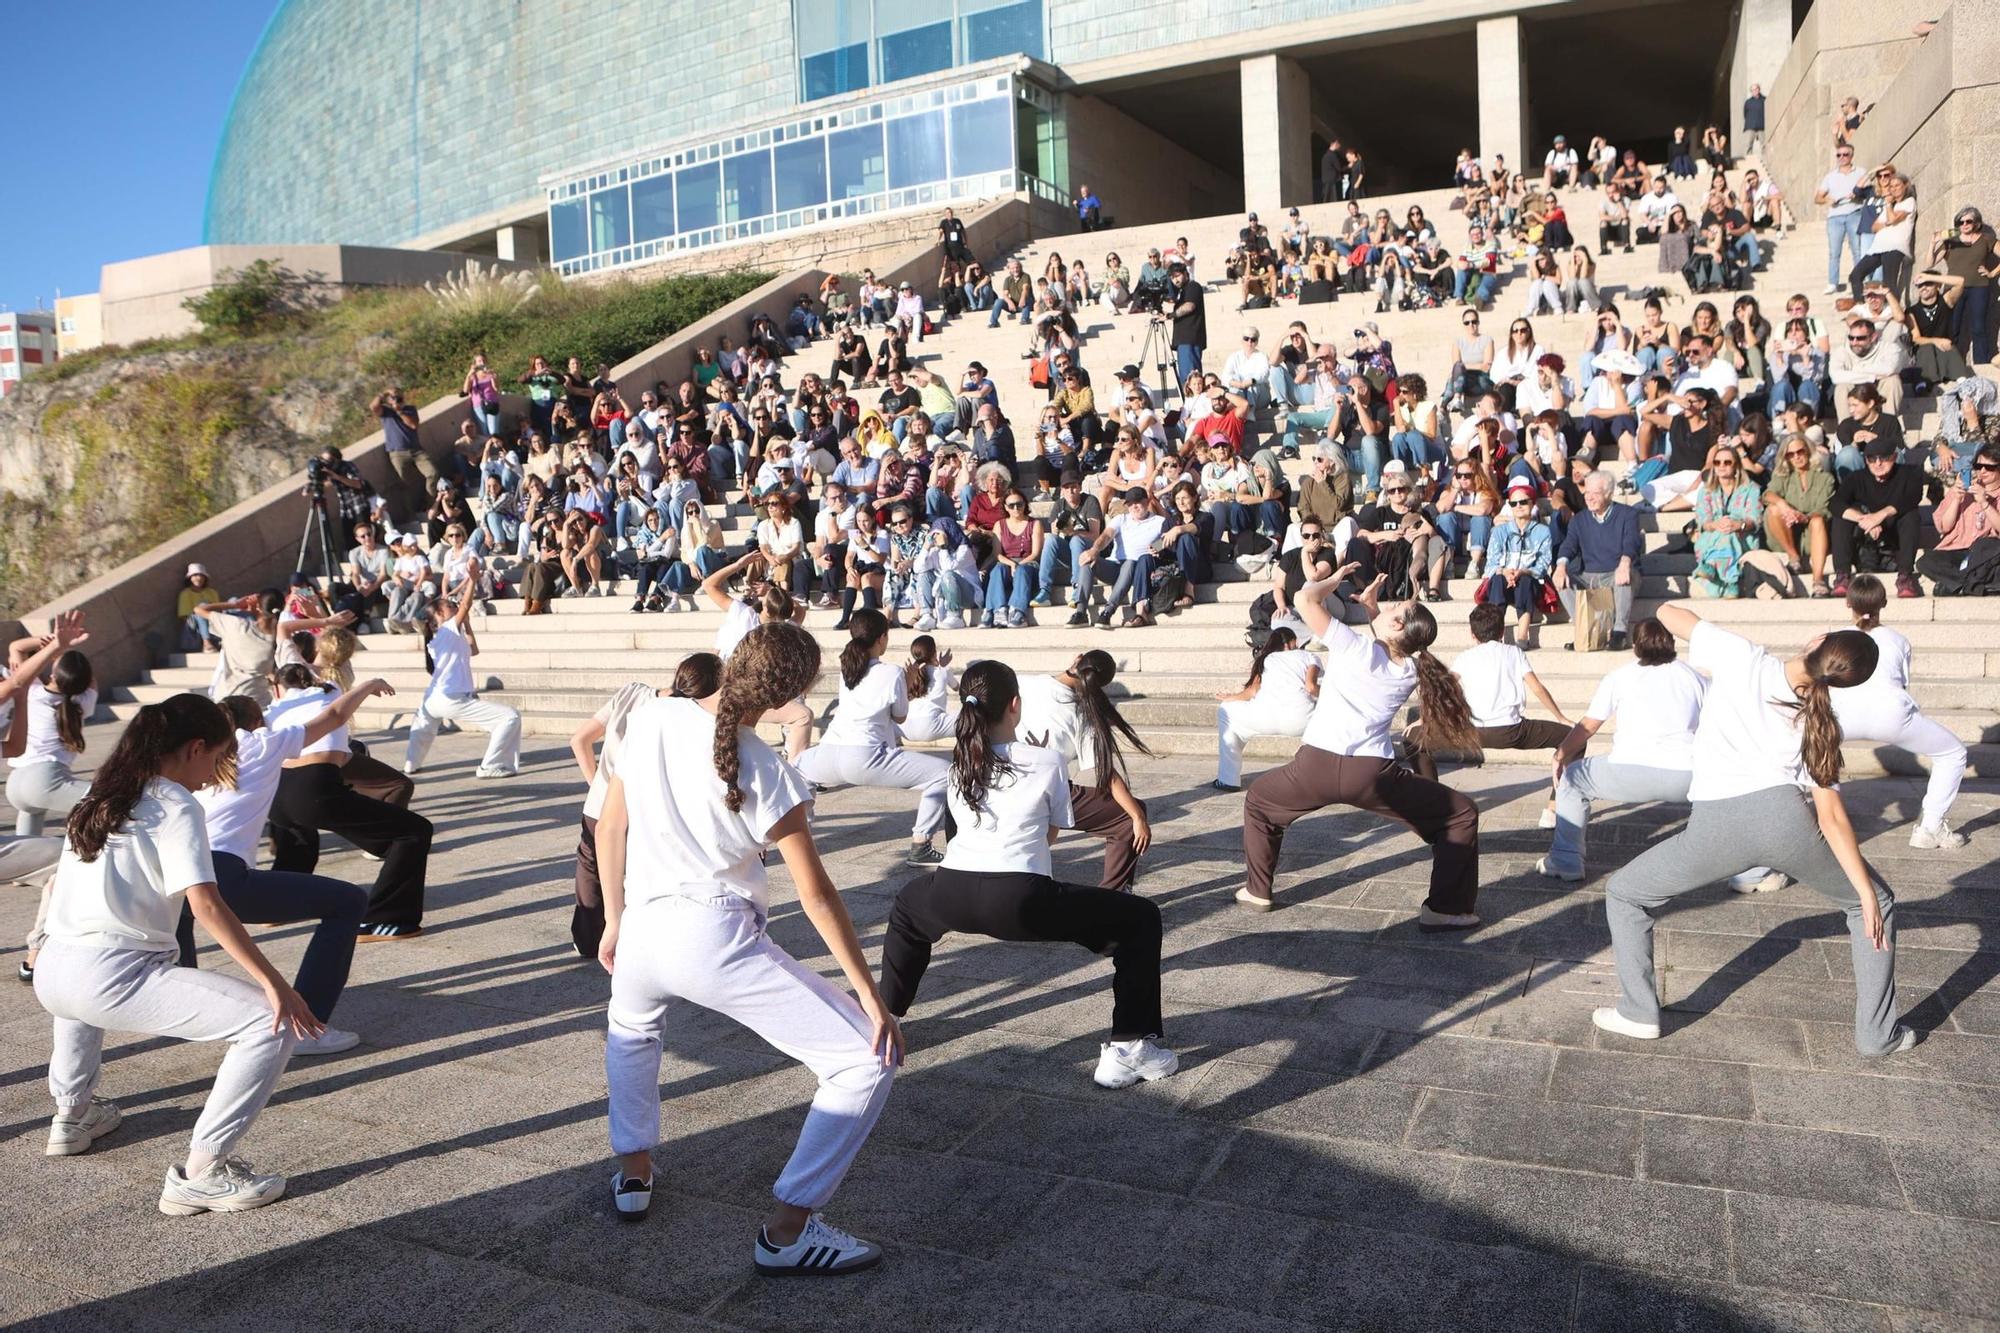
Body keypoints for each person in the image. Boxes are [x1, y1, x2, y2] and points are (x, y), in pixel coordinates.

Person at [596, 622, 899, 1269]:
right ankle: (788, 1232)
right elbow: (817, 896)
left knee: (631, 1033)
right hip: (711, 935)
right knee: (864, 1058)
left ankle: (633, 1175)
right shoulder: (768, 770)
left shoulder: (651, 715)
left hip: (644, 927)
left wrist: (613, 919)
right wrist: (870, 995)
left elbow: (610, 824)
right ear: (791, 691)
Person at [32, 693, 323, 1213]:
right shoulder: (174, 802)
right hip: (113, 971)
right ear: (194, 748)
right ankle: (201, 1173)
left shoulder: (99, 795)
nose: (215, 774)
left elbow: (57, 885)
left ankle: (72, 1116)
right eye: (216, 757)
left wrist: (36, 947)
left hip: (54, 968)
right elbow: (207, 906)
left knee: (77, 1003)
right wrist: (277, 987)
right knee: (269, 1023)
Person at [1593, 605, 1913, 1058]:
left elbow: (1667, 612)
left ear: (1817, 643)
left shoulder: (1742, 656)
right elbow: (1832, 817)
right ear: (1843, 681)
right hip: (1787, 824)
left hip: (1714, 827)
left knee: (1625, 894)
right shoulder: (1820, 719)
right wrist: (1865, 893)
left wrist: (1713, 636)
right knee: (1874, 903)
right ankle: (1878, 1036)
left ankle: (1640, 1012)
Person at [878, 659, 1177, 1090]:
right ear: (1014, 706)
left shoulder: (957, 761)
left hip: (950, 891)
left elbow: (961, 830)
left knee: (908, 907)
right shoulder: (1046, 760)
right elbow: (1048, 834)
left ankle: (884, 1017)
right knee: (1141, 918)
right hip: (1019, 900)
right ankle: (1128, 1050)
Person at [1239, 570, 1481, 925]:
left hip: (1314, 767)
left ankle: (1258, 891)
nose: (1390, 606)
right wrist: (1373, 609)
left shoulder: (1351, 644)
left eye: (1396, 606)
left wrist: (1332, 578)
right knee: (1459, 814)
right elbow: (1388, 648)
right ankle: (1446, 909)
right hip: (1371, 776)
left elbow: (1307, 599)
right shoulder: (1412, 669)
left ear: (1397, 623)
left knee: (1259, 803)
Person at [187, 678, 394, 1052]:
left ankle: (182, 1008)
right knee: (346, 902)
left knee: (178, 917)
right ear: (257, 723)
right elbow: (333, 715)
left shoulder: (197, 755)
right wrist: (366, 687)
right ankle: (306, 1028)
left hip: (175, 871)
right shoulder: (262, 743)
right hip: (222, 875)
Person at [568, 655, 721, 962]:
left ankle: (587, 941)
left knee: (592, 873)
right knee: (640, 878)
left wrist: (597, 783)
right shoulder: (685, 717)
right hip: (642, 809)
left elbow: (579, 740)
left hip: (598, 805)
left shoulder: (630, 693)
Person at [1538, 617, 1706, 882]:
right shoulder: (1694, 677)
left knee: (1572, 779)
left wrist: (1561, 754)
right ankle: (1751, 872)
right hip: (1687, 775)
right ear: (1672, 643)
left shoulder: (1619, 676)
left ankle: (1565, 859)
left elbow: (1587, 727)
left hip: (1627, 772)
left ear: (1635, 646)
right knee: (1737, 794)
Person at [796, 612, 952, 866]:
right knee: (945, 774)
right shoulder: (892, 673)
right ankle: (921, 844)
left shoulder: (848, 669)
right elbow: (900, 717)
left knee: (797, 769)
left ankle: (798, 837)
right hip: (867, 756)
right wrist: (908, 682)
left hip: (827, 753)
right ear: (882, 638)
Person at [1831, 576, 1968, 850]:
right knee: (1953, 754)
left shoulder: (1833, 638)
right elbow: (1902, 682)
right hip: (1891, 715)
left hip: (1840, 716)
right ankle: (1929, 829)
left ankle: (1812, 826)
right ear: (1884, 603)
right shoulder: (1898, 640)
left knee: (1796, 754)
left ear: (1848, 603)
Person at [1406, 604, 1573, 817]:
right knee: (1572, 737)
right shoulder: (1514, 652)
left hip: (1470, 734)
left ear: (1472, 633)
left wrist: (1423, 720)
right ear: (1502, 631)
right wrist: (1561, 717)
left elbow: (1442, 692)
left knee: (1412, 740)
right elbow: (1538, 688)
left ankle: (1433, 803)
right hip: (1512, 732)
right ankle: (1554, 808)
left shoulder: (1466, 657)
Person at [1016, 651, 1153, 892]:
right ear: (1100, 686)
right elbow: (1106, 774)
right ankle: (1114, 894)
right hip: (1048, 794)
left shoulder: (1025, 683)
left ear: (1077, 659)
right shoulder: (1083, 715)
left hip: (1006, 781)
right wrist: (1138, 817)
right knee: (1127, 815)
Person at [404, 582, 522, 779]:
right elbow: (466, 605)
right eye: (449, 606)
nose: (455, 606)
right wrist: (473, 578)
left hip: (433, 699)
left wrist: (467, 623)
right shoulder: (446, 631)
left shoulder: (446, 637)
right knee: (510, 717)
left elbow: (473, 650)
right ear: (437, 619)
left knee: (421, 734)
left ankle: (410, 766)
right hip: (450, 699)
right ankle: (490, 766)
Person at [1212, 627, 1320, 792]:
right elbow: (1311, 687)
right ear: (1294, 642)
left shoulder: (1266, 658)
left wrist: (1230, 698)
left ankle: (1228, 779)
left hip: (1263, 718)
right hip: (1301, 721)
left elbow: (1252, 692)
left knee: (1225, 710)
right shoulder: (1309, 656)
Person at [7, 647, 94, 839]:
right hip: (44, 781)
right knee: (113, 797)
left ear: (54, 674)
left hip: (15, 784)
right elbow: (89, 680)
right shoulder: (83, 702)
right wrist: (63, 653)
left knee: (26, 845)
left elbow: (17, 647)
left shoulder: (32, 691)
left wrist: (54, 645)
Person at [1830, 439, 1924, 596]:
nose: (1878, 463)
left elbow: (1913, 497)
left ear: (1894, 457)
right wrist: (1865, 520)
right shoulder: (1856, 477)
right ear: (1866, 460)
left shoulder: (1909, 473)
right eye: (1872, 459)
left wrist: (1881, 515)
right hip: (1865, 534)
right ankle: (1842, 575)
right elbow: (1835, 503)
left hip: (1895, 530)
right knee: (1841, 518)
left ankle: (1905, 576)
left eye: (1884, 458)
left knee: (1911, 515)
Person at [898, 636, 956, 744]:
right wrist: (942, 665)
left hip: (905, 728)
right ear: (934, 652)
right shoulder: (943, 670)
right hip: (932, 725)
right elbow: (957, 687)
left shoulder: (908, 673)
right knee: (972, 717)